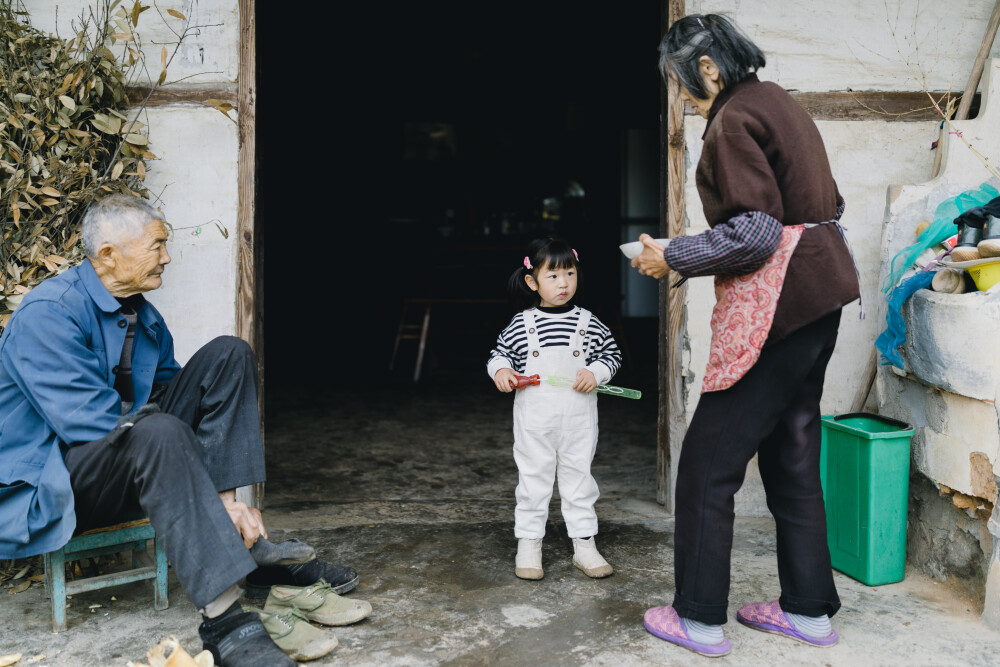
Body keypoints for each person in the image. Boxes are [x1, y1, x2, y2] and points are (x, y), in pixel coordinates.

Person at [0, 195, 369, 665]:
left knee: (228, 355)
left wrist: (225, 499)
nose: (167, 257)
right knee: (157, 431)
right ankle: (226, 622)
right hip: (58, 483)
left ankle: (242, 545)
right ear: (109, 253)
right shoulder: (49, 313)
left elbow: (179, 396)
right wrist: (194, 470)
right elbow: (89, 423)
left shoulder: (141, 315)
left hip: (136, 459)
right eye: (156, 246)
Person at [632, 14, 861, 659]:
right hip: (823, 293)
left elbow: (755, 234)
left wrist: (671, 255)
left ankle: (698, 619)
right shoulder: (779, 102)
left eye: (681, 84)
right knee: (792, 448)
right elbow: (831, 205)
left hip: (780, 307)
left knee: (707, 464)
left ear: (706, 68)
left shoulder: (731, 119)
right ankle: (807, 611)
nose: (681, 98)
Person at [487, 237, 622, 581]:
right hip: (535, 421)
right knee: (534, 481)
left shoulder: (588, 322)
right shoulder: (522, 323)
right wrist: (502, 371)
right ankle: (529, 545)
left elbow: (612, 355)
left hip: (578, 421)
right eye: (553, 276)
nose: (563, 283)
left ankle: (585, 545)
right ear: (532, 282)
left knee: (578, 480)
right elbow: (499, 354)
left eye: (570, 274)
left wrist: (596, 372)